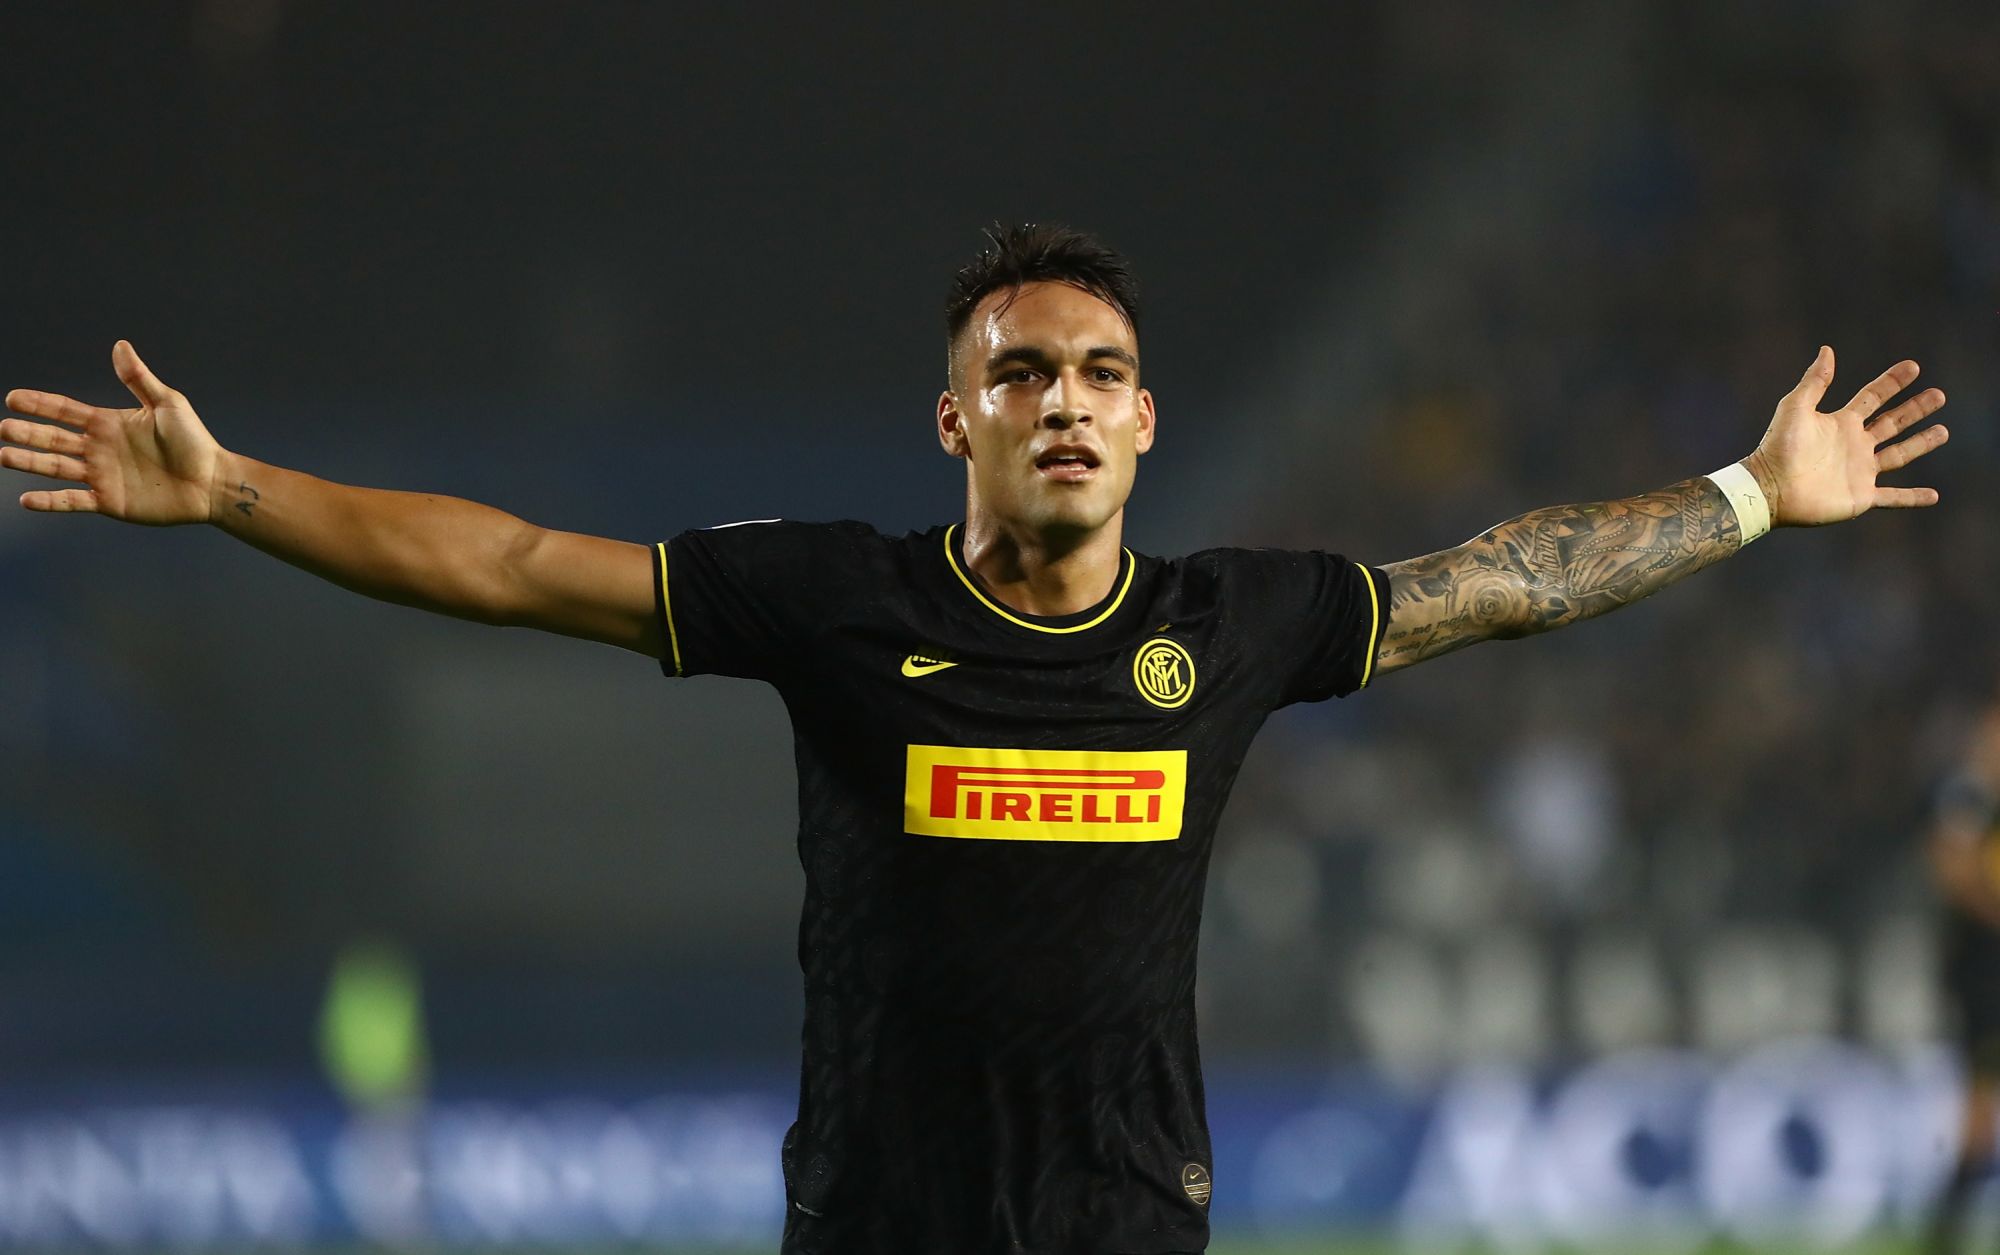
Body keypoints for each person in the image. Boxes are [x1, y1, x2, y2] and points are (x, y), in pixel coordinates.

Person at [1, 224, 1949, 1254]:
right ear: (958, 421)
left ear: (1147, 422)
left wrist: (1751, 496)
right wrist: (233, 486)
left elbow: (1501, 580)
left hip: (1128, 1228)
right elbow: (509, 566)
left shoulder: (1233, 625)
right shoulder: (835, 601)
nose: (1066, 402)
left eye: (1103, 373)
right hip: (877, 1226)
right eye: (1022, 373)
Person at [1926, 702, 2000, 1255]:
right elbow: (1950, 867)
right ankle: (1945, 1233)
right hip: (1984, 973)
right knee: (1978, 1112)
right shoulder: (1971, 796)